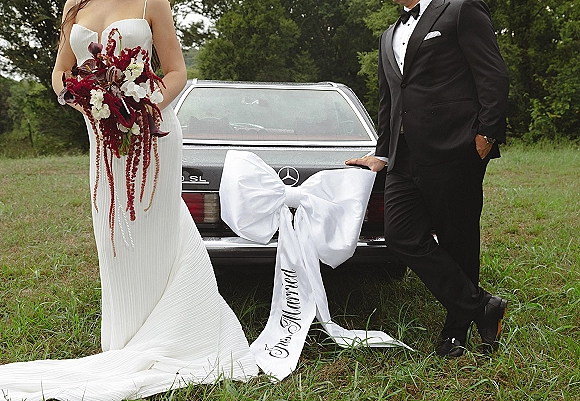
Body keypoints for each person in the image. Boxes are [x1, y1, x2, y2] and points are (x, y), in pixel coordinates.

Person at [0, 0, 257, 399]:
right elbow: (59, 74)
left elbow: (176, 71)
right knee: (113, 233)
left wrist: (141, 107)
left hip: (153, 133)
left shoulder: (152, 0)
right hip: (102, 137)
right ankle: (124, 338)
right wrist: (87, 102)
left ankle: (175, 332)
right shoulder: (74, 3)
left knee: (158, 228)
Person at [346, 0, 509, 357]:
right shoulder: (389, 34)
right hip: (404, 155)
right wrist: (383, 153)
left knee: (458, 239)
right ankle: (482, 306)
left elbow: (492, 73)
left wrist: (487, 134)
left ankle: (456, 330)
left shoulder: (460, 9)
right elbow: (389, 98)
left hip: (455, 147)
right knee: (400, 236)